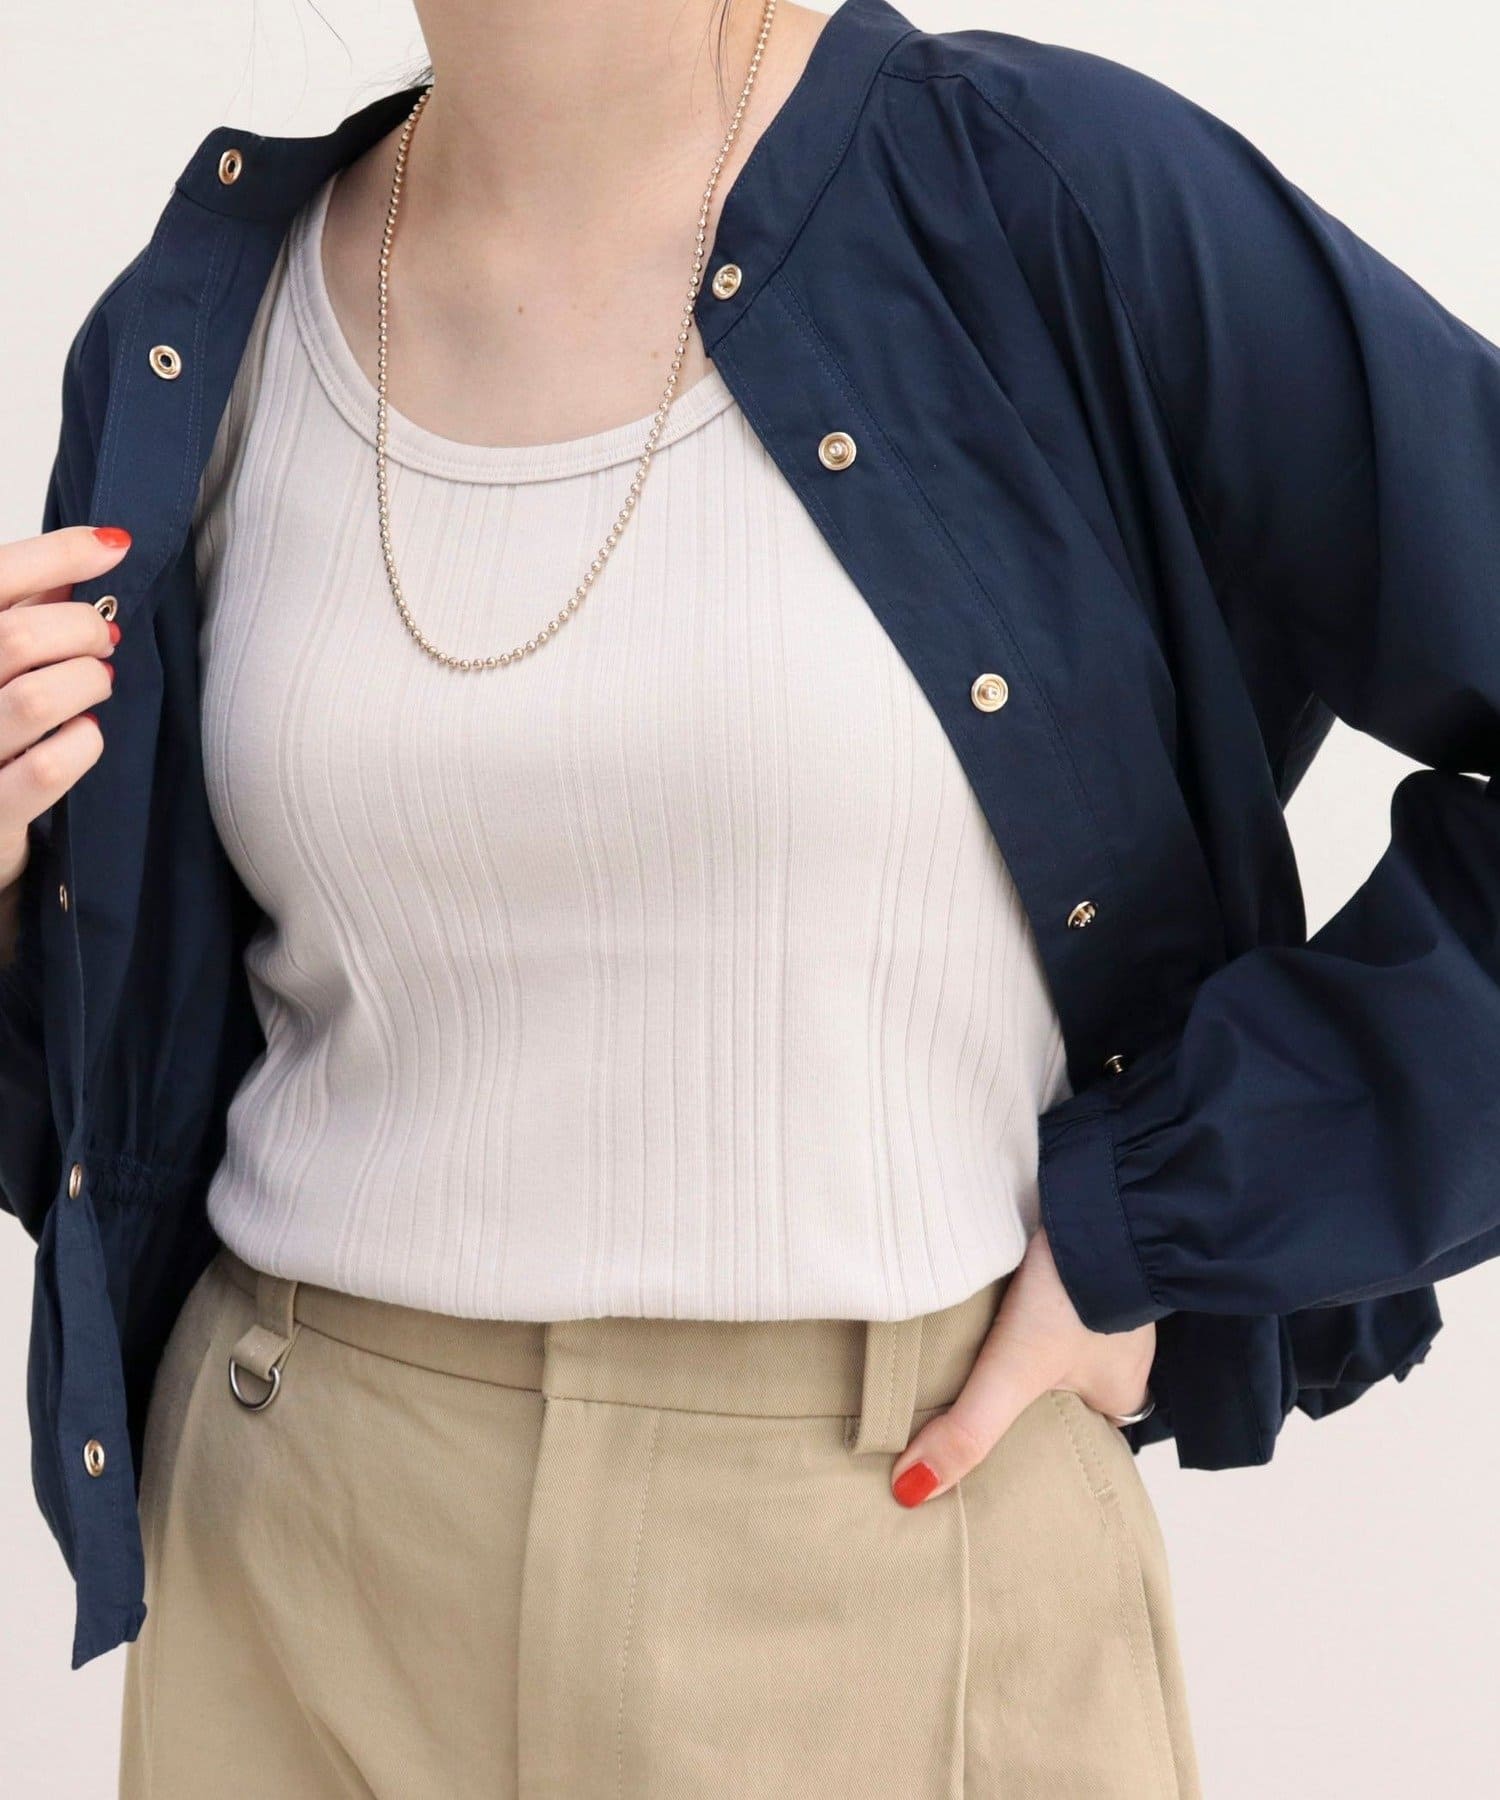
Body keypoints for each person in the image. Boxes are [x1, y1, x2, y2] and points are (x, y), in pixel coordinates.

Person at [3, 0, 1498, 1791]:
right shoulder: (195, 333)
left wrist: (1182, 1221)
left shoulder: (1039, 195)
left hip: (884, 1549)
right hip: (286, 1545)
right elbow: (117, 1097)